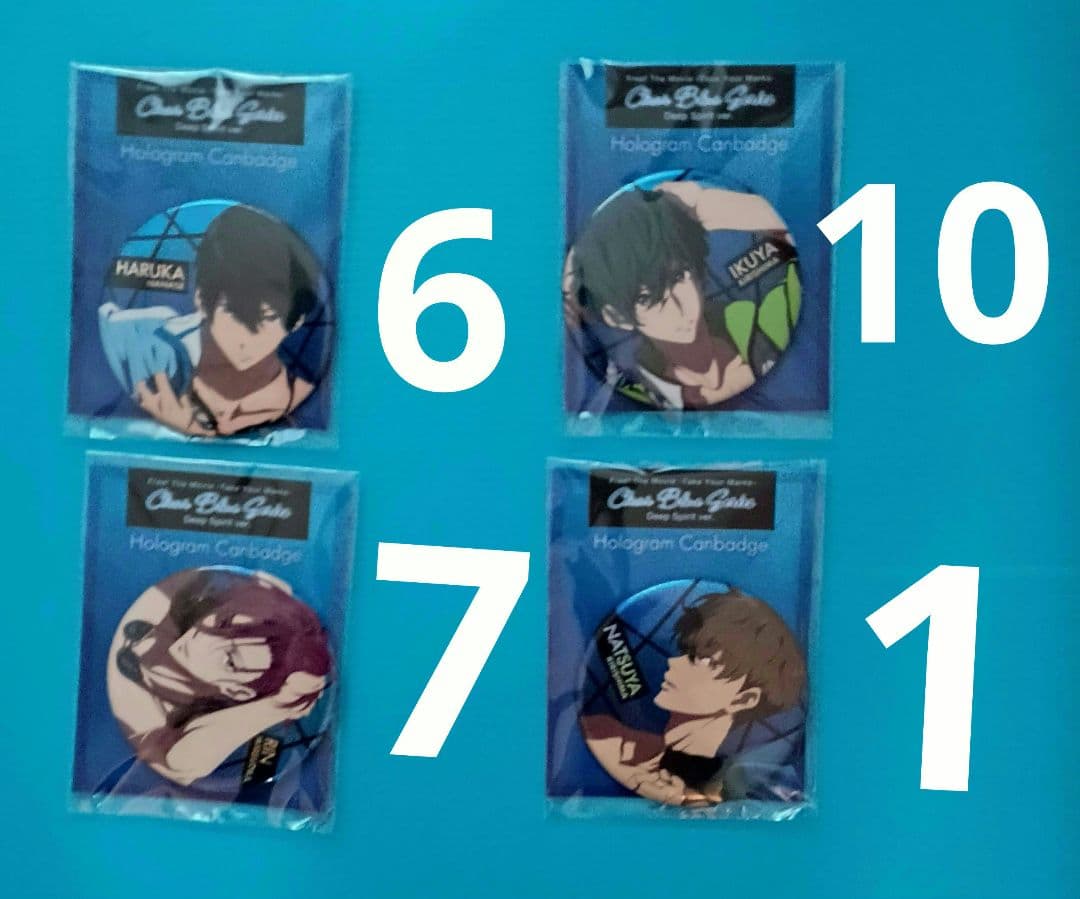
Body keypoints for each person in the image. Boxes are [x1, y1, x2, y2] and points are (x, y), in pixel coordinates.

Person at [565, 181, 796, 410]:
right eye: (645, 298)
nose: (678, 308)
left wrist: (707, 205)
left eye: (678, 277)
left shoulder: (767, 320)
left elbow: (815, 233)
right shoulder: (629, 384)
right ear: (617, 317)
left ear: (697, 271)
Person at [98, 204, 320, 436]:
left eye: (269, 317)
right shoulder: (134, 340)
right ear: (202, 300)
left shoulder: (306, 400)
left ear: (297, 320)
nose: (245, 339)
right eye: (232, 312)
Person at [106, 568, 331, 787]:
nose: (202, 638)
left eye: (229, 660)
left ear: (237, 691)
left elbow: (180, 761)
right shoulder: (181, 596)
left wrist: (276, 707)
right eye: (224, 622)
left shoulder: (191, 726)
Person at [581, 589, 806, 805]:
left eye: (704, 661)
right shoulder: (610, 736)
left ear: (744, 699)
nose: (673, 662)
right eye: (686, 653)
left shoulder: (730, 781)